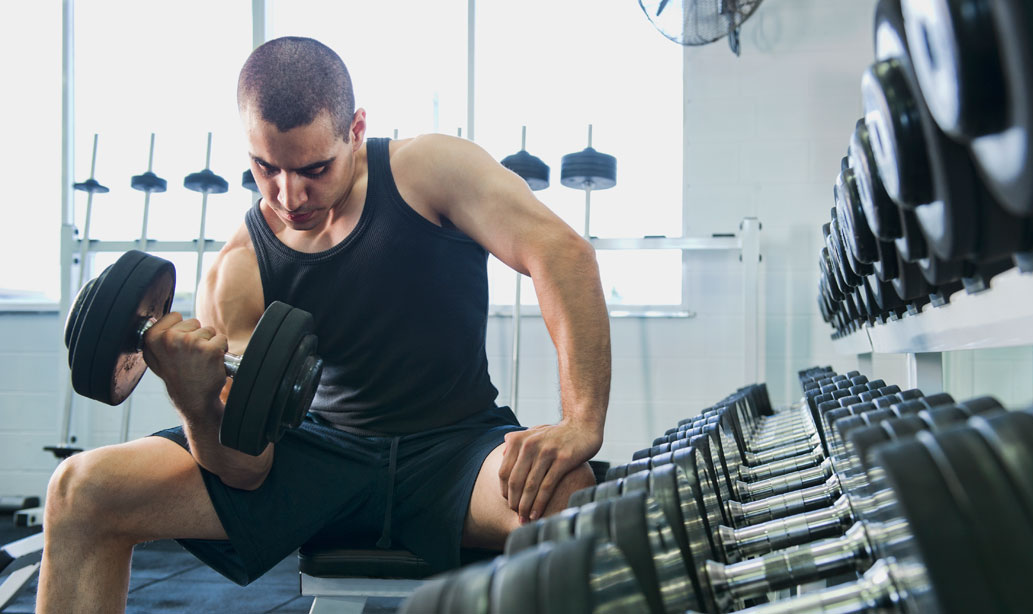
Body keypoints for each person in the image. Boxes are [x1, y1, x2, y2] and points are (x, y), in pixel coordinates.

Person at [37, 36, 610, 612]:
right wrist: (194, 399)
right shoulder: (237, 268)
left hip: (455, 447)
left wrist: (580, 419)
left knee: (570, 500)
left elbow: (561, 253)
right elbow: (244, 468)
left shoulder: (430, 169)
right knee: (82, 490)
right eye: (266, 168)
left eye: (314, 167)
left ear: (356, 129)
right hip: (314, 457)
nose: (290, 194)